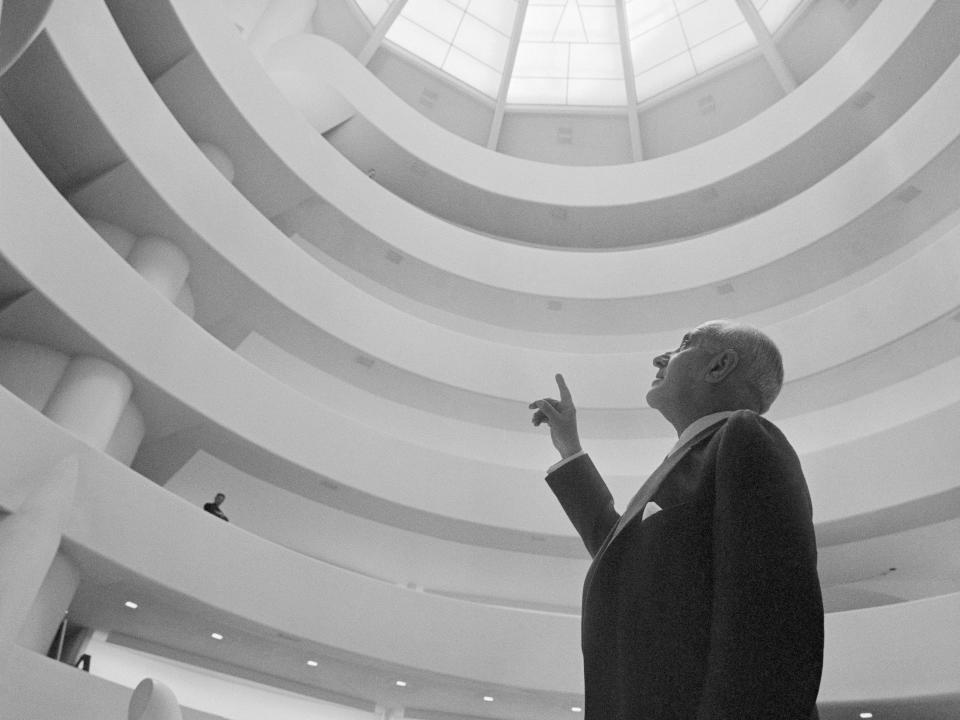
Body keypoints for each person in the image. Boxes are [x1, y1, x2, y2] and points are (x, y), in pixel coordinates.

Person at [530, 320, 823, 719]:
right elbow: (619, 557)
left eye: (685, 344)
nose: (660, 357)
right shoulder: (685, 464)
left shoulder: (746, 436)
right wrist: (570, 448)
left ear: (718, 367)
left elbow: (771, 630)